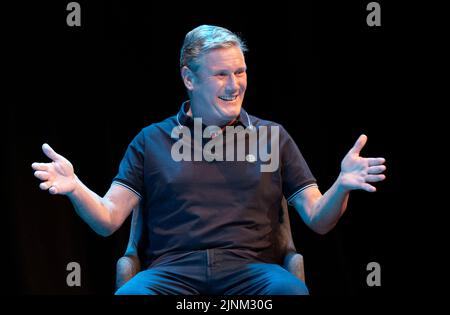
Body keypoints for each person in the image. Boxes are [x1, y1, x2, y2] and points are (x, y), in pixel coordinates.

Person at [31, 25, 386, 295]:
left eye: (240, 72)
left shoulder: (271, 137)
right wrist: (76, 188)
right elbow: (108, 220)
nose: (235, 85)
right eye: (221, 74)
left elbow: (318, 220)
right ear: (189, 78)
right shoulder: (151, 140)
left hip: (252, 272)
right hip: (172, 273)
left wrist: (341, 186)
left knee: (287, 290)